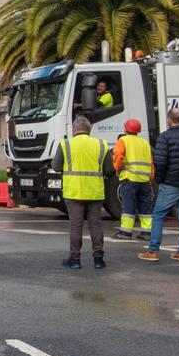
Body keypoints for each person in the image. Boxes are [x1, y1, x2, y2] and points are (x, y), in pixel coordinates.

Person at [140, 108, 179, 261]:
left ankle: (153, 250)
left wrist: (159, 179)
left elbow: (160, 161)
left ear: (169, 120)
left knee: (158, 215)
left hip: (170, 183)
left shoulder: (164, 137)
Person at [58, 115, 109, 269]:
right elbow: (109, 169)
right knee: (95, 225)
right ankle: (98, 260)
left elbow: (56, 165)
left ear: (74, 129)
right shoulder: (101, 145)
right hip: (95, 191)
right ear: (90, 129)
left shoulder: (66, 144)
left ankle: (75, 260)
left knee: (76, 225)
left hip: (74, 191)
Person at [112, 117, 154, 239]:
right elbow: (151, 161)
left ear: (125, 129)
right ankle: (147, 232)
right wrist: (151, 176)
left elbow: (118, 156)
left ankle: (125, 231)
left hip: (129, 177)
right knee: (145, 206)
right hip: (145, 179)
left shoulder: (123, 140)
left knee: (128, 204)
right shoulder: (145, 142)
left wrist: (117, 168)